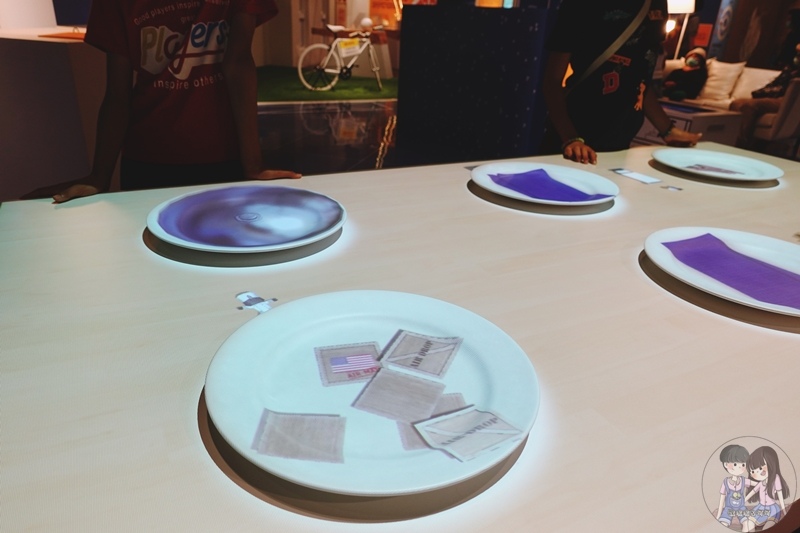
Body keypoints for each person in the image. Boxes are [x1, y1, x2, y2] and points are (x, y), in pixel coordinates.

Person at [29, 0, 300, 204]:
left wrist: (253, 165)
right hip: (153, 160)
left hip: (212, 157)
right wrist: (99, 176)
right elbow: (117, 94)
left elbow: (238, 64)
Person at [541, 0, 701, 165]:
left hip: (620, 143)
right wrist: (571, 138)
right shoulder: (583, 4)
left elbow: (641, 81)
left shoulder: (657, 4)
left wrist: (668, 130)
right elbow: (552, 81)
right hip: (573, 139)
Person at [729, 43, 800, 149]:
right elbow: (775, 84)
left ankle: (740, 144)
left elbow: (784, 89)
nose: (797, 57)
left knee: (750, 105)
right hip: (774, 96)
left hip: (787, 100)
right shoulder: (790, 69)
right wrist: (761, 92)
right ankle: (729, 138)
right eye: (797, 54)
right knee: (736, 103)